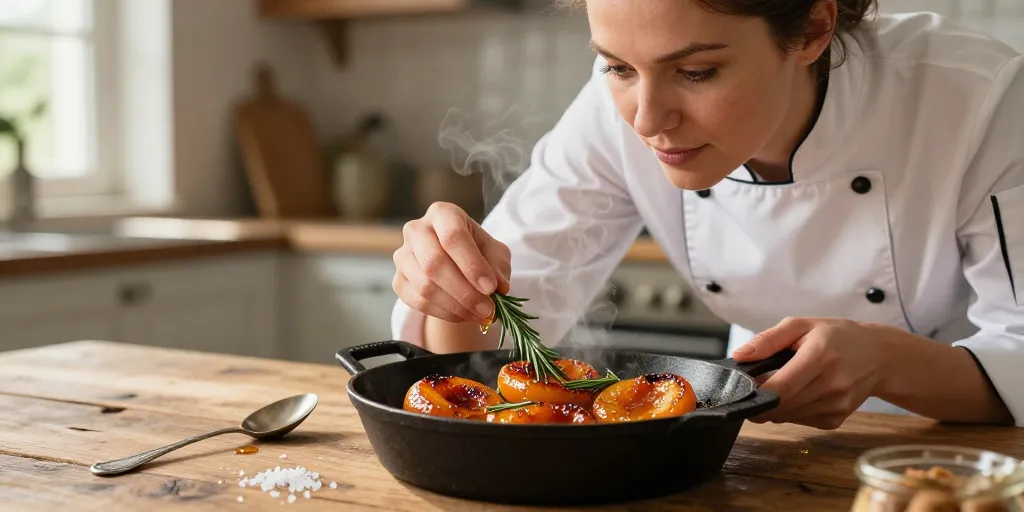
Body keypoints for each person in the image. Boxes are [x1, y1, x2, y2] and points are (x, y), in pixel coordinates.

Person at [389, 0, 1024, 430]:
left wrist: (883, 361)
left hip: (969, 451)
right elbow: (489, 352)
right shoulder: (613, 113)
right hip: (763, 440)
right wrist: (453, 285)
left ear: (811, 28)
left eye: (696, 71)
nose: (646, 119)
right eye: (616, 66)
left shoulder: (976, 99)